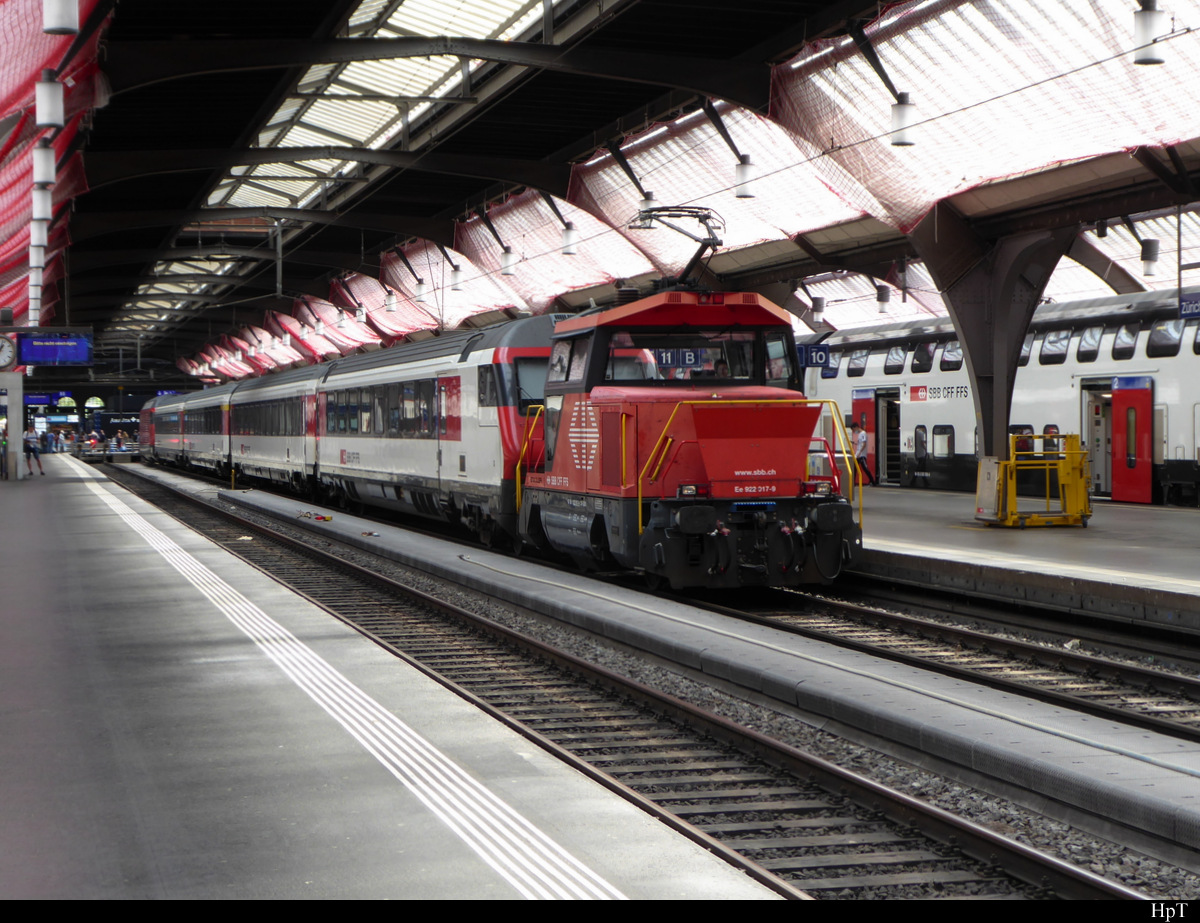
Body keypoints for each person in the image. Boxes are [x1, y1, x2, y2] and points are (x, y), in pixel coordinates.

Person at [849, 421, 876, 486]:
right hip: (858, 455)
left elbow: (864, 444)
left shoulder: (863, 433)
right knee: (855, 468)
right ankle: (853, 482)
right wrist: (855, 443)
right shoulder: (860, 434)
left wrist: (859, 453)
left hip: (861, 455)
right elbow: (860, 444)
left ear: (856, 427)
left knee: (865, 468)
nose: (853, 431)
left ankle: (872, 481)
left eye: (853, 429)